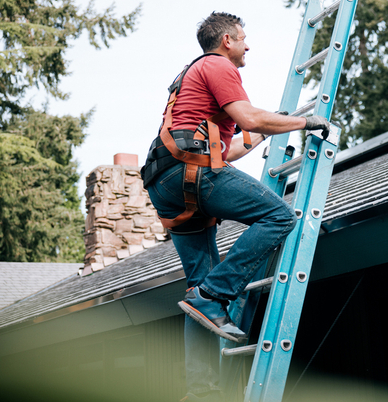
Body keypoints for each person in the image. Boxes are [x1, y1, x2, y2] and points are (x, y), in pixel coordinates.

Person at [141, 12, 330, 402]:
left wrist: (263, 133)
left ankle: (201, 392)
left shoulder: (188, 80)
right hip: (189, 172)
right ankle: (217, 295)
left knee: (197, 291)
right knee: (278, 216)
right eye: (244, 38)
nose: (248, 46)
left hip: (168, 181)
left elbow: (229, 147)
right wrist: (304, 122)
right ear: (227, 40)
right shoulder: (217, 65)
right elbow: (247, 116)